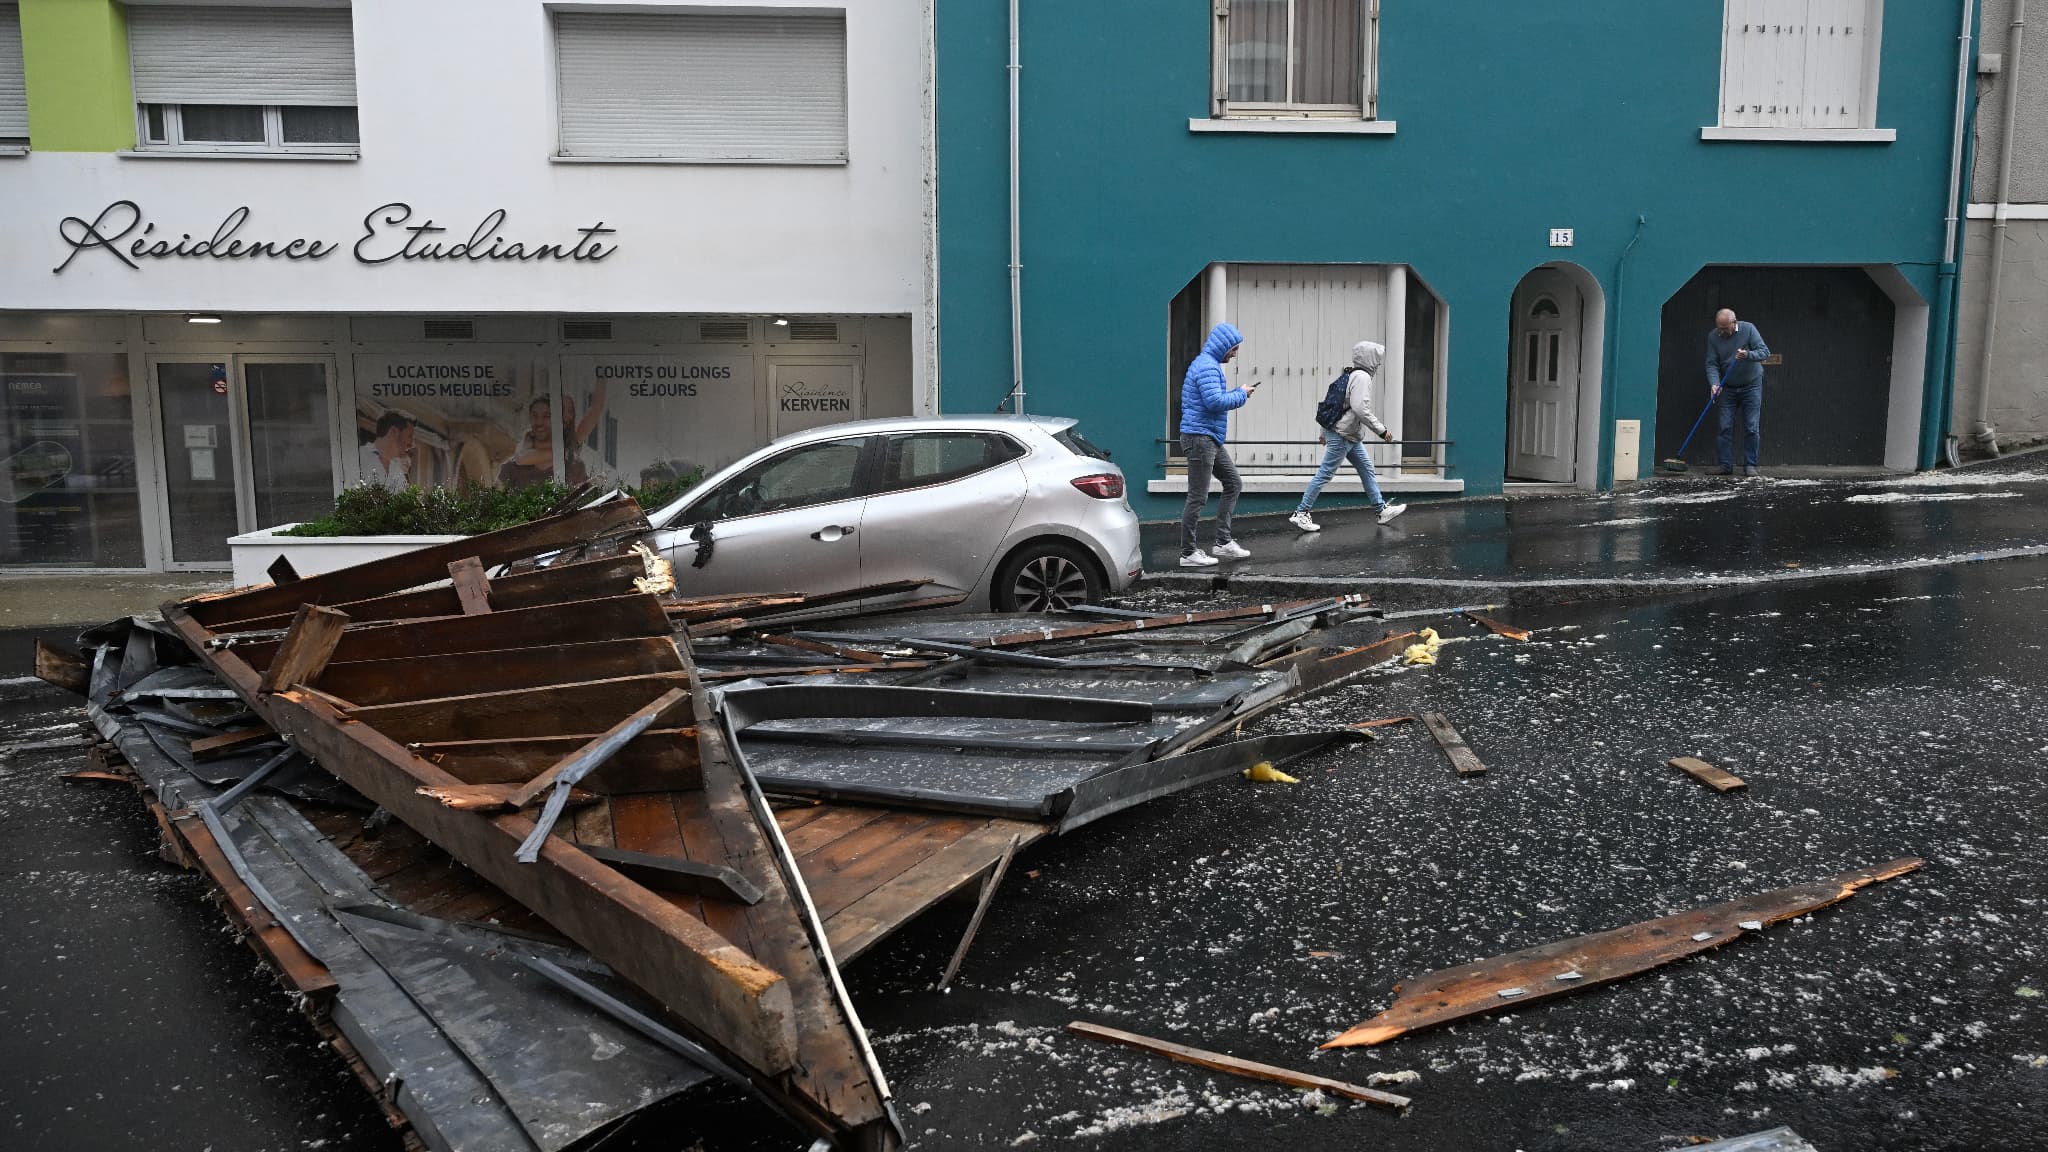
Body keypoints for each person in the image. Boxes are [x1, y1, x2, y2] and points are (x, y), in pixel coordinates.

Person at [1289, 340, 1408, 532]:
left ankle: (1381, 510)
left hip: (1347, 434)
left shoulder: (1350, 374)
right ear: (1369, 359)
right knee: (1325, 474)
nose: (1378, 364)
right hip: (1343, 435)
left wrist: (1323, 431)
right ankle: (1301, 513)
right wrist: (1382, 431)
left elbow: (1334, 404)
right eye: (1377, 359)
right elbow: (1360, 408)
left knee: (1366, 469)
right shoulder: (1362, 378)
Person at [1178, 322, 1256, 567]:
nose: (1235, 354)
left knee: (1233, 482)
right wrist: (1242, 393)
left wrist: (1237, 392)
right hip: (1200, 438)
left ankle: (1222, 542)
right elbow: (1214, 402)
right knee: (1197, 497)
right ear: (1223, 347)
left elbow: (1213, 399)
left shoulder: (1206, 364)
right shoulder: (1208, 367)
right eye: (1233, 349)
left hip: (1207, 436)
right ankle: (1188, 553)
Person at [1705, 308, 1769, 477]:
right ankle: (1725, 465)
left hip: (1751, 385)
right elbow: (1711, 364)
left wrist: (1747, 354)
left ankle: (1750, 465)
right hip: (1727, 388)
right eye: (1719, 327)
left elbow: (1764, 352)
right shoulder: (1713, 336)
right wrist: (1714, 384)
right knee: (1724, 427)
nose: (1721, 331)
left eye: (1725, 328)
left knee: (1751, 427)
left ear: (1734, 323)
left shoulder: (1748, 329)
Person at [358, 411, 414, 491]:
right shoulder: (359, 457)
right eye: (410, 436)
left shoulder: (398, 471)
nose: (412, 444)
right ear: (393, 431)